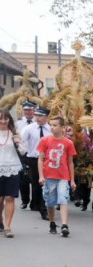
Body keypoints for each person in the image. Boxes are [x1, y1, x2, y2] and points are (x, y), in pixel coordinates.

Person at [36, 115, 77, 237]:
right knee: (50, 202)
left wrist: (72, 180)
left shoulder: (68, 143)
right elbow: (40, 159)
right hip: (48, 176)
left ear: (62, 128)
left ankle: (64, 225)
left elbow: (70, 162)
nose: (52, 127)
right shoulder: (45, 140)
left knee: (63, 198)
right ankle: (52, 222)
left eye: (55, 125)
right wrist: (41, 176)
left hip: (63, 177)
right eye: (51, 125)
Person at [20, 105, 51, 219]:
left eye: (40, 116)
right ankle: (36, 204)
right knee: (36, 183)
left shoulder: (50, 129)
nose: (38, 118)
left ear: (46, 117)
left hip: (47, 159)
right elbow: (21, 141)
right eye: (36, 115)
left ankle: (44, 207)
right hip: (33, 158)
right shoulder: (29, 128)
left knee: (46, 183)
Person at [0, 109, 25, 237]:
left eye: (6, 118)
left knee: (10, 198)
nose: (3, 121)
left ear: (9, 119)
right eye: (1, 119)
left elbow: (23, 152)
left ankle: (7, 227)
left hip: (12, 168)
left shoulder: (14, 133)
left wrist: (18, 143)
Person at [15, 101, 34, 210]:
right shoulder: (19, 123)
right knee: (23, 177)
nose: (27, 112)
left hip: (34, 152)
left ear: (33, 110)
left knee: (35, 177)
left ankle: (35, 201)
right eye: (25, 110)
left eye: (29, 109)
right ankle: (25, 200)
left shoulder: (37, 121)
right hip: (23, 152)